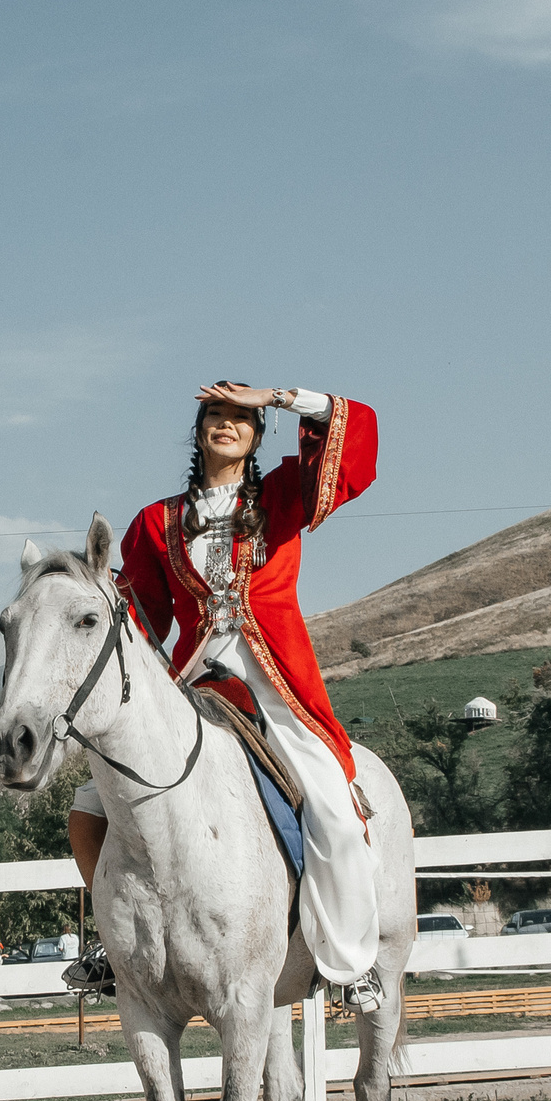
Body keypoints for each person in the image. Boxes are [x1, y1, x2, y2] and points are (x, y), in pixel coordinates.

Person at [67, 380, 384, 1010]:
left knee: (336, 813)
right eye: (215, 413)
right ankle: (114, 943)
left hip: (276, 681)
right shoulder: (156, 521)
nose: (227, 423)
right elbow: (141, 617)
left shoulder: (284, 496)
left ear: (258, 434)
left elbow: (356, 445)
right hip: (194, 680)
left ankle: (350, 965)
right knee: (89, 809)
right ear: (199, 430)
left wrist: (282, 397)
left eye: (242, 417)